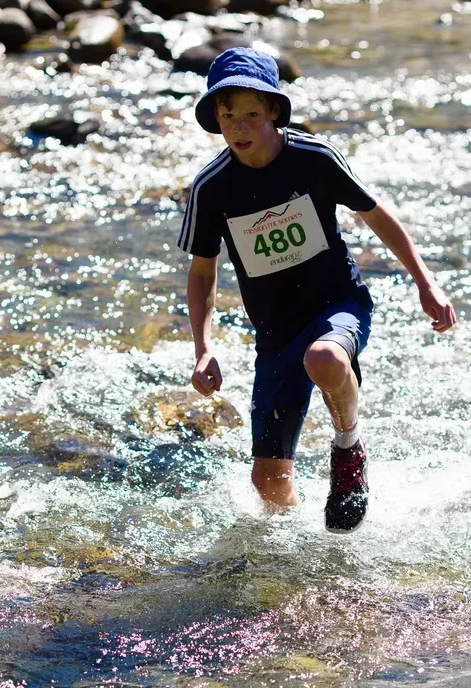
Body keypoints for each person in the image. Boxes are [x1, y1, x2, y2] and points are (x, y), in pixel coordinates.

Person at [177, 47, 456, 532]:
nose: (239, 127)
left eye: (250, 115)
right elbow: (203, 272)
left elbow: (376, 215)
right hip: (275, 333)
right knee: (267, 486)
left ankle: (348, 446)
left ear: (274, 113)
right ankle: (291, 575)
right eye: (228, 116)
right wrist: (203, 349)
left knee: (324, 358)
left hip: (337, 304)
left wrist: (424, 281)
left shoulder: (314, 159)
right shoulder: (212, 188)